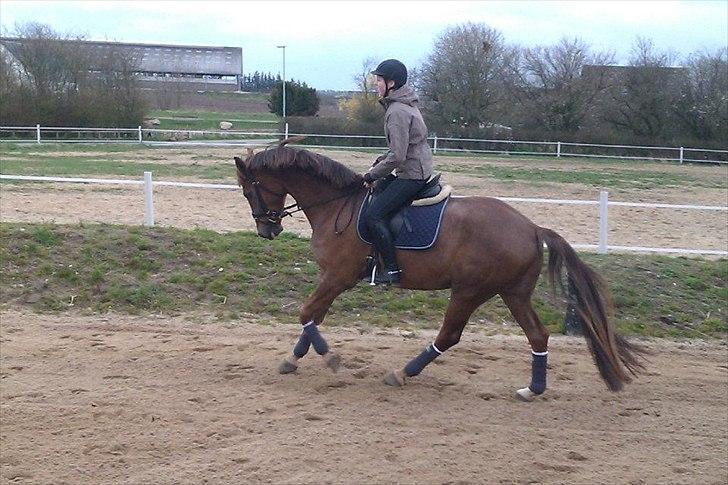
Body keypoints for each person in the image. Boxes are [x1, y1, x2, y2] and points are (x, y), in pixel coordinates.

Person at [362, 59, 434, 285]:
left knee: (374, 215)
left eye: (379, 80)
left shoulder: (397, 112)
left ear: (391, 83)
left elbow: (398, 156)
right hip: (415, 167)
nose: (376, 84)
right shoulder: (405, 104)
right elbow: (400, 148)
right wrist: (381, 162)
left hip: (411, 174)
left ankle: (392, 270)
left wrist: (371, 174)